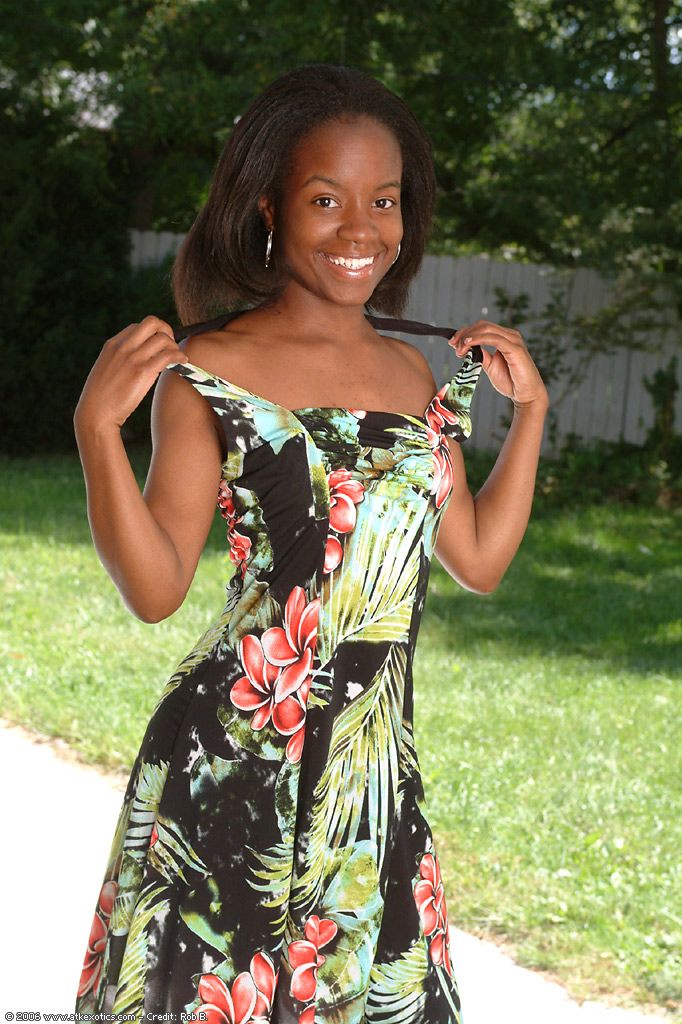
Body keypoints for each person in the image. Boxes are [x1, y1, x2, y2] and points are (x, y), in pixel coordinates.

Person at [72, 63, 548, 1022]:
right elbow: (156, 589)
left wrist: (530, 412)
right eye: (326, 199)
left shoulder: (415, 376)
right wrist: (95, 429)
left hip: (371, 782)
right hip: (231, 764)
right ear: (269, 208)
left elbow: (479, 560)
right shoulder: (210, 367)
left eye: (385, 200)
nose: (360, 229)